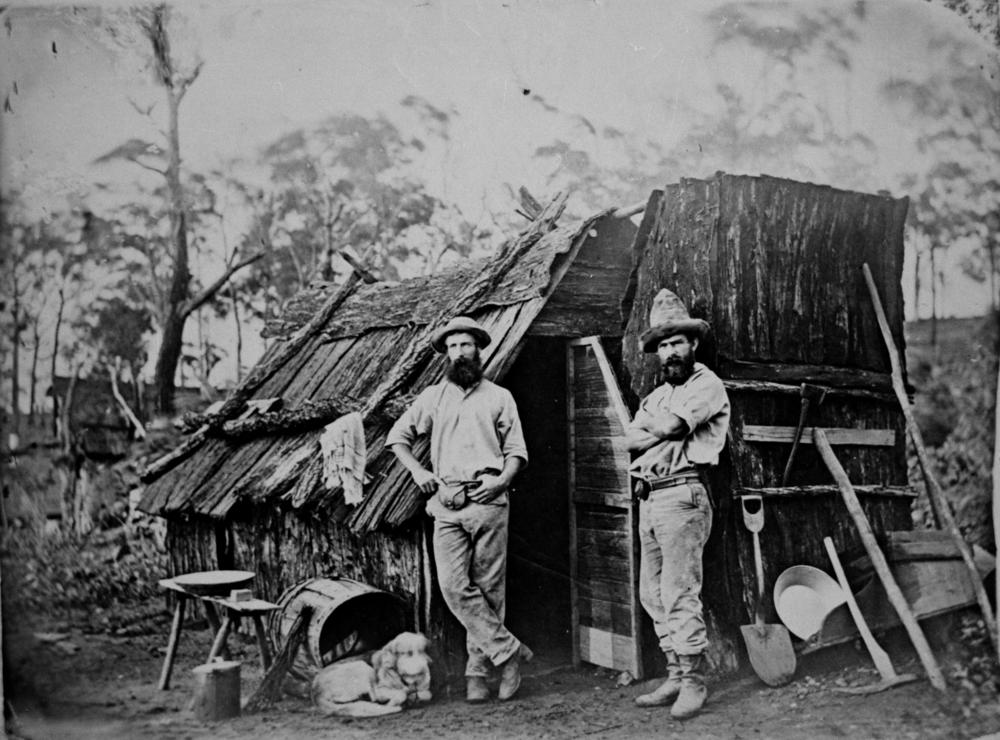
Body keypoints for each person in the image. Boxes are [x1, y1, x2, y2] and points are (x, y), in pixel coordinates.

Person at [387, 316, 531, 704]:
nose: (458, 352)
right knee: (453, 585)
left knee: (489, 589)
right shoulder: (433, 397)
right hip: (447, 503)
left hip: (488, 499)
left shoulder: (499, 396)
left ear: (478, 349)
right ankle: (509, 651)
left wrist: (501, 481)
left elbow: (517, 452)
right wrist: (419, 472)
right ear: (445, 354)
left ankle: (478, 675)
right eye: (452, 347)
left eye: (465, 345)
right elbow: (397, 437)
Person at [625, 289, 730, 720]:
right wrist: (657, 429)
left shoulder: (706, 383)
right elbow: (630, 439)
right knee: (651, 593)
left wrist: (658, 429)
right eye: (663, 345)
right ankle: (673, 671)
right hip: (649, 497)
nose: (669, 351)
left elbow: (669, 428)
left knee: (679, 591)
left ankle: (693, 680)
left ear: (693, 345)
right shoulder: (656, 395)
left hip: (684, 494)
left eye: (677, 342)